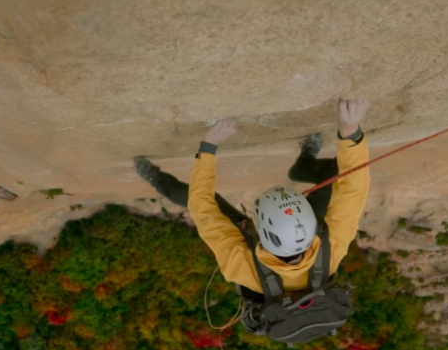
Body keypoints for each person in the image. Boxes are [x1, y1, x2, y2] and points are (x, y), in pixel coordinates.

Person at [134, 98, 370, 333]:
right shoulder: (332, 246)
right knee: (334, 175)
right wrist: (350, 132)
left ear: (255, 224)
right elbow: (354, 189)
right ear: (310, 221)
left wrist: (209, 146)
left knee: (197, 199)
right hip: (298, 239)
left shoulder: (240, 264)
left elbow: (200, 204)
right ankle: (304, 164)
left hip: (255, 254)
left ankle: (157, 178)